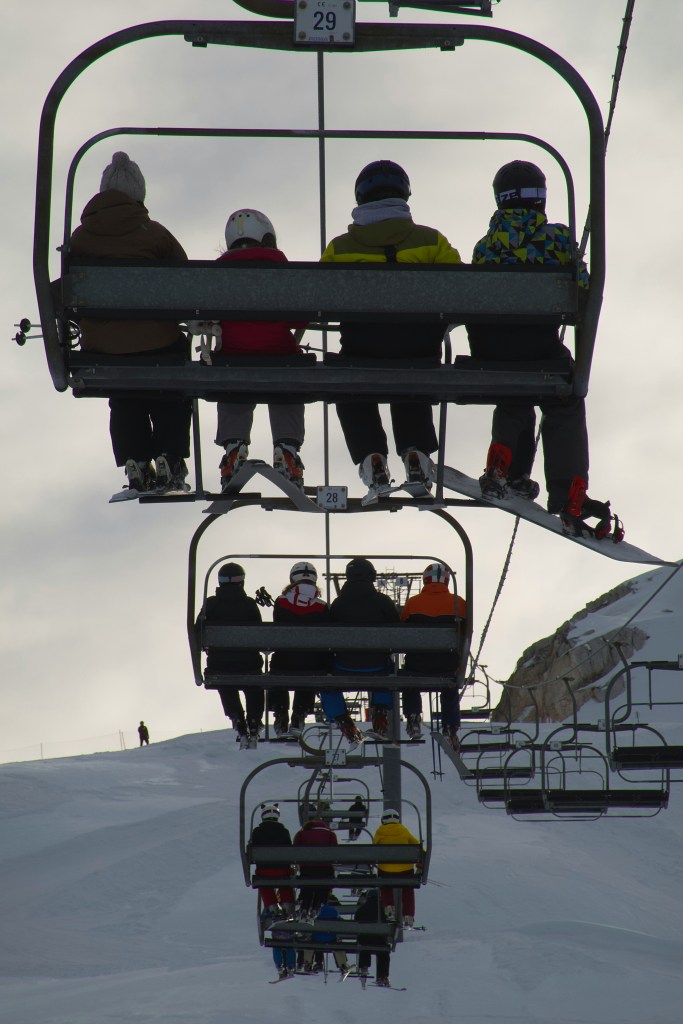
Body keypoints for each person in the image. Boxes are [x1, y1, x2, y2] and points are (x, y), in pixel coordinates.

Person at [466, 160, 621, 540]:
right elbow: (583, 291)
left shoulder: (485, 247)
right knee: (564, 399)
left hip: (491, 350)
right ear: (541, 198)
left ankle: (506, 465)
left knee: (514, 390)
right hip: (540, 346)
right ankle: (569, 491)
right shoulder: (558, 239)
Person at [321, 160, 462, 499]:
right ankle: (416, 452)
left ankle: (371, 456)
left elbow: (320, 296)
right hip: (419, 349)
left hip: (362, 348)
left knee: (349, 384)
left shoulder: (341, 248)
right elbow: (461, 289)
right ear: (404, 195)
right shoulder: (431, 240)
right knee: (410, 376)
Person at [68, 151, 192, 494]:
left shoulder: (79, 239)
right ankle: (169, 456)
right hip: (159, 345)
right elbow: (189, 285)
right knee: (171, 388)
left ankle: (135, 459)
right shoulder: (155, 235)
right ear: (139, 194)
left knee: (124, 394)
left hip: (103, 349)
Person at [209, 209, 307, 491]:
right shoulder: (282, 270)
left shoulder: (216, 274)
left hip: (233, 358)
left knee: (231, 380)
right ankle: (287, 450)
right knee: (290, 376)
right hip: (280, 357)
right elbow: (301, 317)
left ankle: (234, 449)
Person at [325, 557, 400, 743]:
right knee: (387, 672)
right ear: (371, 576)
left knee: (325, 681)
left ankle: (344, 721)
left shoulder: (338, 604)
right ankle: (380, 713)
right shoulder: (383, 602)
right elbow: (397, 632)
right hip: (377, 665)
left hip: (343, 666)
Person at [197, 562, 264, 749]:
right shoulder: (249, 604)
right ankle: (254, 720)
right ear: (241, 581)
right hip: (249, 664)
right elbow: (260, 634)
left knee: (225, 682)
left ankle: (237, 718)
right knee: (254, 685)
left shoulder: (210, 604)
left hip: (219, 664)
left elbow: (198, 631)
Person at [400, 561, 466, 749]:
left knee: (409, 678)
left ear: (425, 580)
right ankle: (450, 726)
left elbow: (402, 632)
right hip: (447, 663)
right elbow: (465, 632)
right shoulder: (459, 603)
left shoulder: (413, 603)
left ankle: (413, 716)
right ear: (446, 581)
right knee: (450, 685)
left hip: (417, 664)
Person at [269, 562, 330, 736]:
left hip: (284, 661)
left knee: (280, 664)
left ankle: (280, 712)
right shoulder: (322, 606)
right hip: (312, 664)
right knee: (310, 664)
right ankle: (299, 714)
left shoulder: (281, 602)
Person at [372, 808, 421, 927]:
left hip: (386, 871)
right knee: (408, 889)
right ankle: (408, 916)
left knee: (385, 886)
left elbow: (373, 850)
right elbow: (418, 847)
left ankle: (389, 909)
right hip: (405, 871)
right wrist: (419, 865)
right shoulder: (404, 830)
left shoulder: (380, 832)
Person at [251, 802, 295, 917]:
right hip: (283, 870)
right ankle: (287, 906)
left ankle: (272, 907)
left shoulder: (257, 832)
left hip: (264, 871)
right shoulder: (284, 831)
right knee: (285, 883)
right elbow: (289, 850)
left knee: (264, 883)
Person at [293, 817, 338, 921]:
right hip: (325, 870)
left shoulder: (301, 834)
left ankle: (305, 903)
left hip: (307, 869)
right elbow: (335, 853)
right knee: (323, 884)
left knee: (307, 883)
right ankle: (318, 904)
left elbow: (295, 851)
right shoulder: (330, 834)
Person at [300, 896, 352, 977]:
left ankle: (307, 963)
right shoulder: (333, 910)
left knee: (308, 944)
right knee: (338, 946)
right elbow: (341, 923)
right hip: (330, 938)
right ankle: (343, 964)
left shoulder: (314, 911)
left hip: (316, 938)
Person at [353, 888, 391, 988]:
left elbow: (356, 922)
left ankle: (364, 967)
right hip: (380, 940)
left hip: (365, 940)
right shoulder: (383, 909)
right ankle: (382, 976)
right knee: (383, 953)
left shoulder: (361, 909)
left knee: (364, 946)